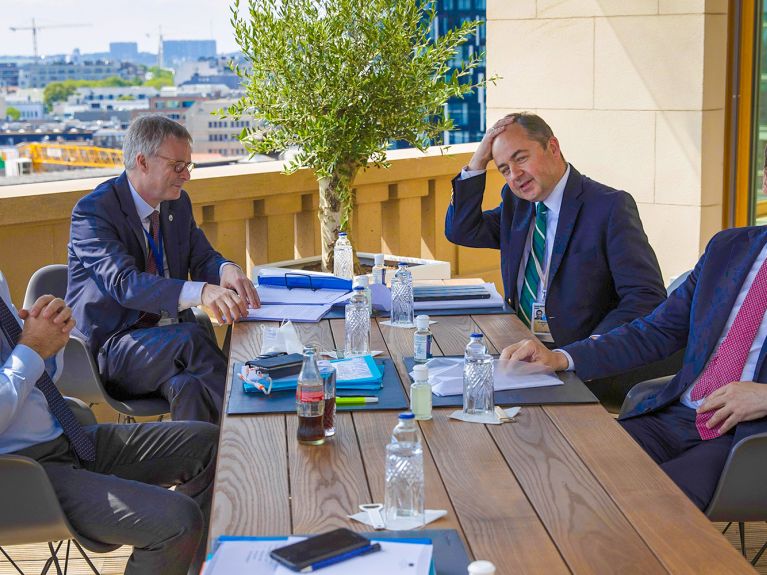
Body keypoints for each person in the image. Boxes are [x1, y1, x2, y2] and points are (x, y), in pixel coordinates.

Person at [500, 224, 767, 510]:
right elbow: (657, 330)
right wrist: (563, 358)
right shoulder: (728, 247)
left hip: (748, 439)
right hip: (676, 415)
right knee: (562, 469)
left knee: (648, 507)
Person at [0, 269, 217, 575]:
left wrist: (48, 344)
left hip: (68, 439)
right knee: (176, 522)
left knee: (208, 444)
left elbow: (26, 374)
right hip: (19, 474)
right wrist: (31, 349)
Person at [67, 115, 260, 424]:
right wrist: (203, 292)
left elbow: (201, 258)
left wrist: (226, 270)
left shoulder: (176, 204)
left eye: (188, 166)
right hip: (112, 349)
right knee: (193, 338)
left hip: (168, 343)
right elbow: (125, 284)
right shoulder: (93, 213)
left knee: (189, 387)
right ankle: (254, 423)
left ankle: (207, 472)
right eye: (177, 166)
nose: (186, 176)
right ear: (142, 162)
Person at [445, 112, 666, 347]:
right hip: (517, 346)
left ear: (552, 147)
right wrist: (477, 162)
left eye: (520, 159)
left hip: (575, 360)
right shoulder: (517, 203)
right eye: (505, 170)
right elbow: (462, 230)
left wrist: (583, 353)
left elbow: (645, 297)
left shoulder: (609, 207)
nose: (515, 175)